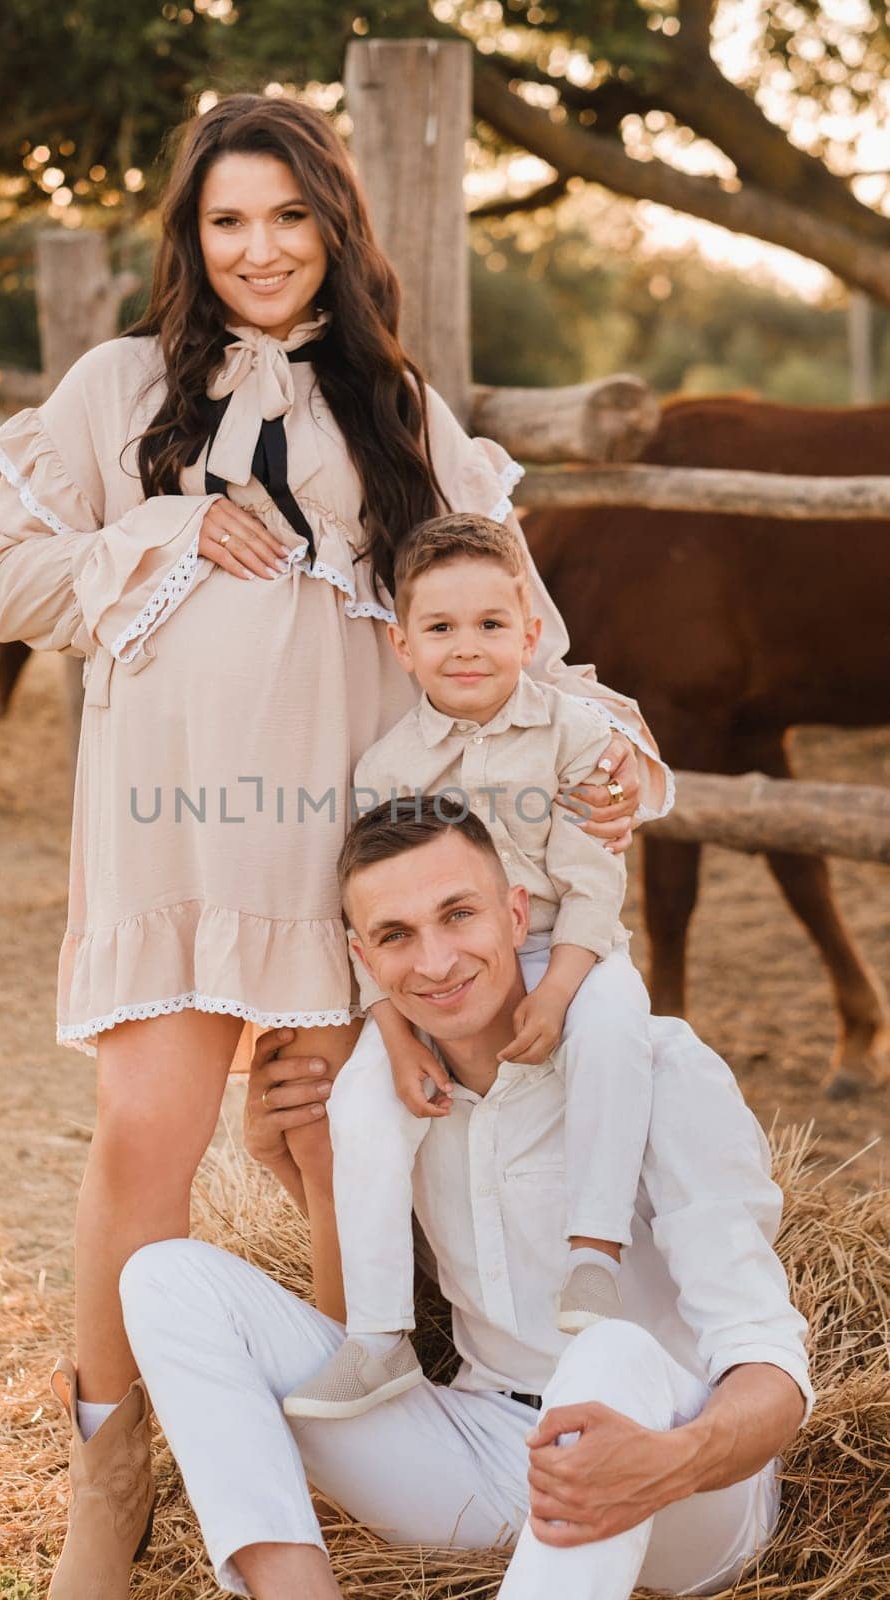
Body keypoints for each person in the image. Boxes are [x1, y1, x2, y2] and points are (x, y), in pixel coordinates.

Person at [0, 93, 669, 1596]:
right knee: (142, 1134)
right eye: (227, 220)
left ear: (335, 229)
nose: (257, 248)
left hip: (339, 846)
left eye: (288, 217)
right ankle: (110, 1468)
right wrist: (156, 532)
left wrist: (607, 754)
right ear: (191, 234)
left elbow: (509, 627)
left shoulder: (397, 411)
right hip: (171, 833)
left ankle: (363, 1444)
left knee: (322, 1138)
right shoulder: (116, 391)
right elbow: (6, 581)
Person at [119, 801, 810, 1600]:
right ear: (362, 958)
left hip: (681, 1483)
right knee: (164, 1277)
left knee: (606, 1352)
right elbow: (367, 1324)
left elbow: (768, 1364)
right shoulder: (385, 1099)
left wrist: (669, 1463)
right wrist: (300, 1161)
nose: (436, 961)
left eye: (458, 915)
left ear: (515, 914)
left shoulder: (658, 1069)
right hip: (486, 1449)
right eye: (395, 935)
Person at [284, 512, 654, 1422]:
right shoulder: (387, 769)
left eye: (491, 625)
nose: (466, 648)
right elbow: (370, 918)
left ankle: (593, 1255)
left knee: (616, 1034)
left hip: (572, 941)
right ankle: (377, 1336)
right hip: (440, 966)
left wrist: (561, 986)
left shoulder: (574, 735)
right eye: (440, 629)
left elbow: (592, 877)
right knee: (360, 1106)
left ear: (530, 636)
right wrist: (396, 1032)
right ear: (401, 647)